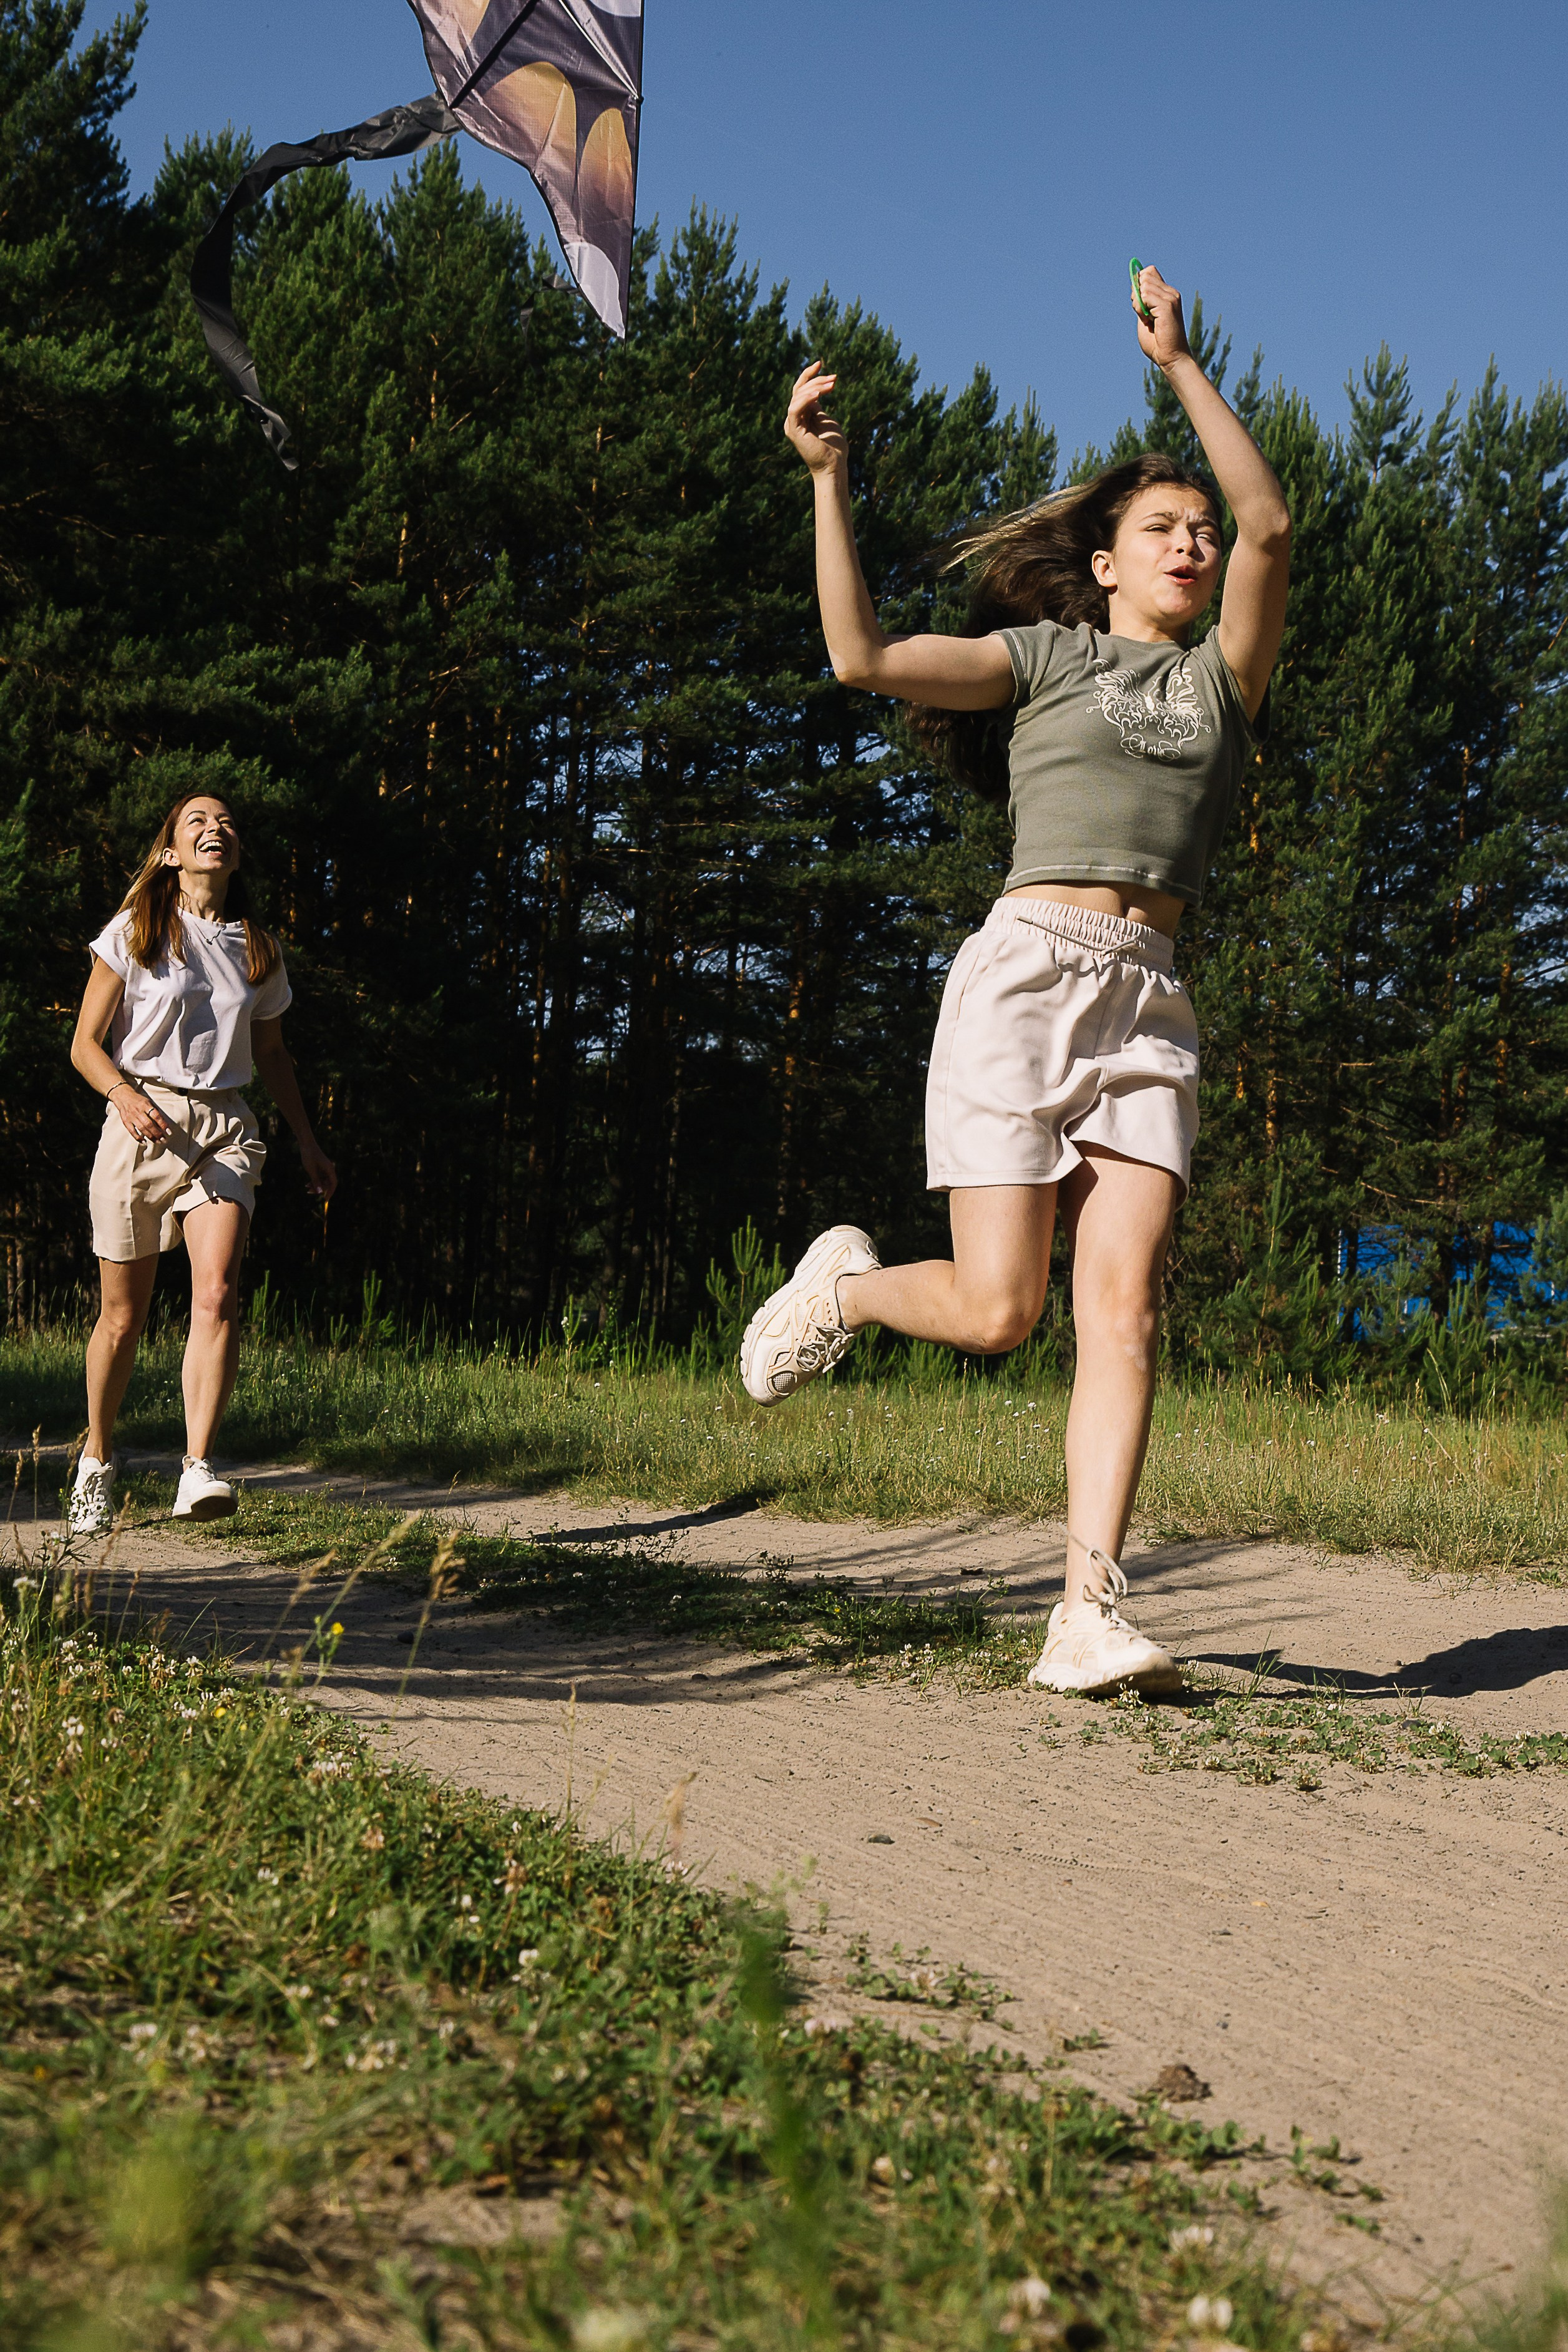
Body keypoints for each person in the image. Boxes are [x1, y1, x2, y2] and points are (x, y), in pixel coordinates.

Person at [741, 263, 1290, 1696]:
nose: (1193, 542)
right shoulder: (1042, 658)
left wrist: (1182, 369)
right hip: (1028, 978)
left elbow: (1276, 521)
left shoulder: (1224, 681)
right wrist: (824, 477)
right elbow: (859, 655)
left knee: (1127, 1312)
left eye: (1198, 530)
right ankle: (847, 1291)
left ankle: (1085, 1611)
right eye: (1161, 528)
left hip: (1150, 1000)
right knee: (1002, 1312)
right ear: (1104, 563)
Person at [66, 791, 337, 1533]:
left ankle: (197, 1469)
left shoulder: (259, 948)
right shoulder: (138, 927)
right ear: (171, 852)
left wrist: (307, 1141)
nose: (215, 829)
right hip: (140, 1120)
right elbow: (84, 1045)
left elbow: (274, 1055)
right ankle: (96, 1457)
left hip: (224, 1125)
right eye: (198, 823)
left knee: (216, 1293)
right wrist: (123, 1095)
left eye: (225, 824)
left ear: (235, 852)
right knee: (122, 1319)